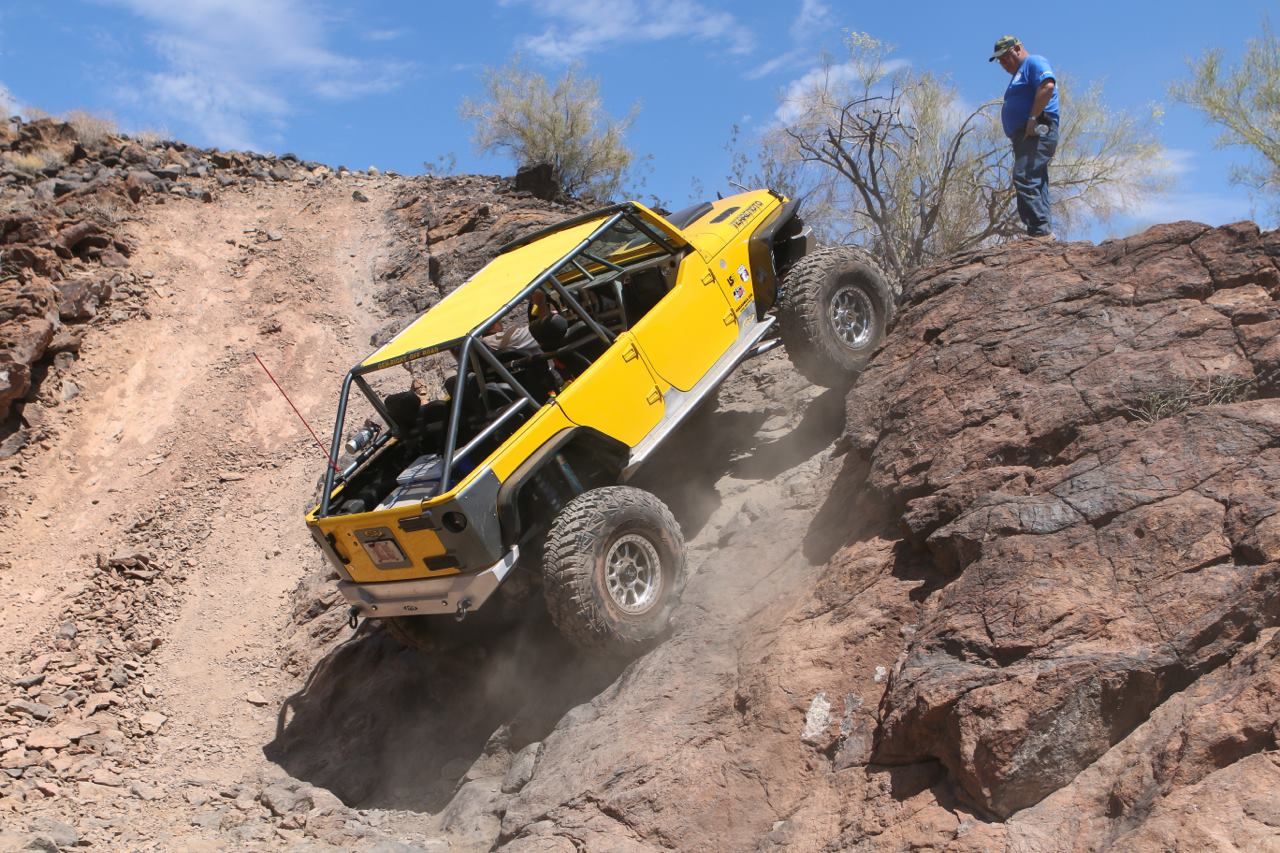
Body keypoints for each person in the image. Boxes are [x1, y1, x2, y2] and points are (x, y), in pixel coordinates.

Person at [990, 35, 1059, 238]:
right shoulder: (1020, 73)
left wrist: (1032, 118)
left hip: (1037, 128)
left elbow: (1047, 86)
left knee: (1025, 176)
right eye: (999, 61)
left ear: (1018, 48)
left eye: (1005, 57)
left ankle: (1039, 233)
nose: (1003, 64)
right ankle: (1042, 231)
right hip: (1025, 134)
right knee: (1035, 179)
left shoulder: (1033, 62)